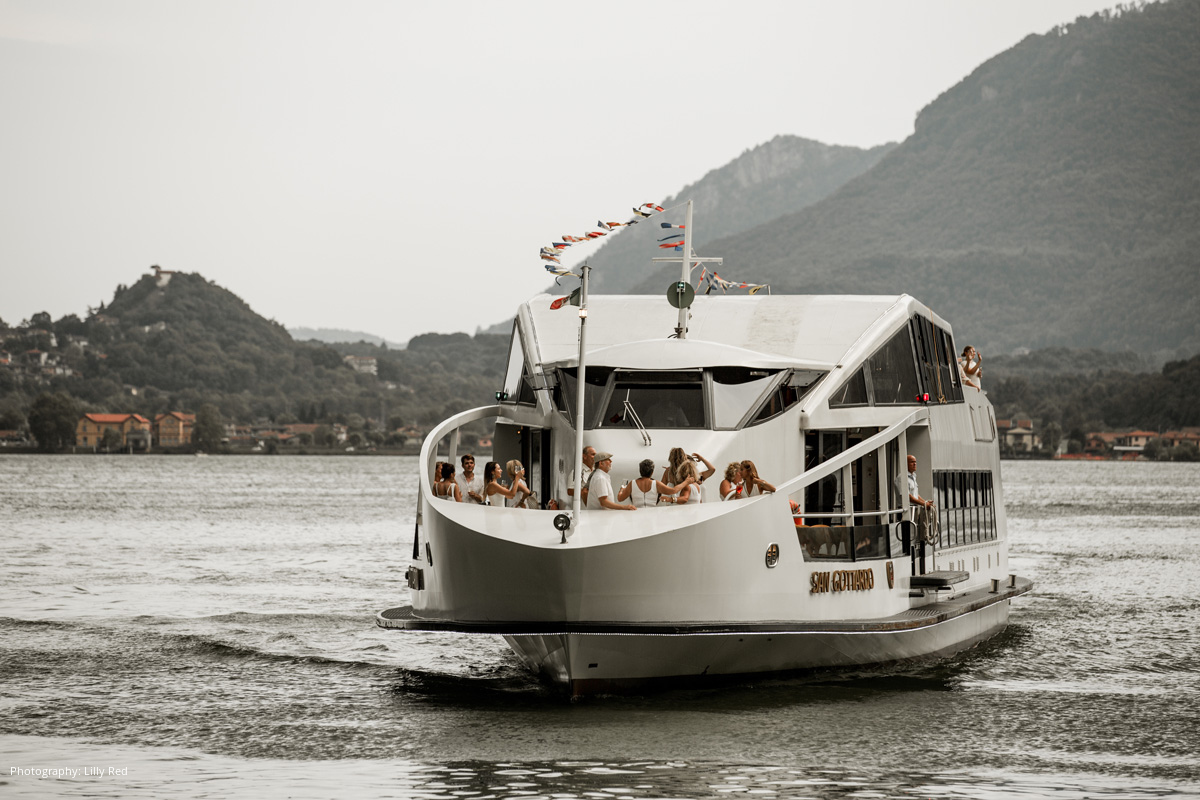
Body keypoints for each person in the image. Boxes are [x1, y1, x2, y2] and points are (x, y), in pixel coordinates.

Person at [617, 458, 694, 508]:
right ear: (652, 472)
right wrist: (686, 482)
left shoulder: (632, 483)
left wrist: (622, 490)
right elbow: (674, 490)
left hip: (636, 514)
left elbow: (620, 499)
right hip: (652, 515)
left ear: (640, 471)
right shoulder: (656, 484)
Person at [907, 454, 936, 544]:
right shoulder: (902, 478)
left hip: (915, 511)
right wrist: (924, 504)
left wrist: (926, 503)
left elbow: (915, 494)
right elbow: (908, 497)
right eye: (912, 462)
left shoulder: (913, 477)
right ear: (906, 464)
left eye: (915, 462)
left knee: (917, 533)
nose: (915, 464)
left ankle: (919, 542)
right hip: (908, 512)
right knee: (911, 536)